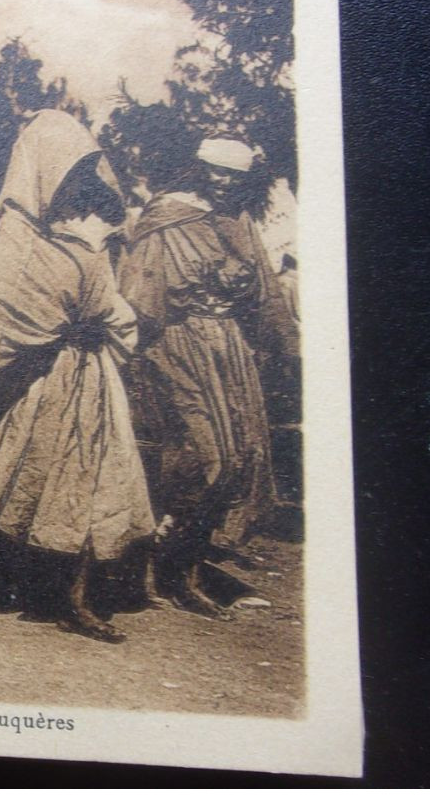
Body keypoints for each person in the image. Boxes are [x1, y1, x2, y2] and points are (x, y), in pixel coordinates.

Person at [0, 110, 154, 644]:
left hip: (90, 373)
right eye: (68, 167)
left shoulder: (94, 220)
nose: (78, 177)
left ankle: (75, 599)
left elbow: (108, 299)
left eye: (86, 166)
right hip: (32, 377)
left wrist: (101, 316)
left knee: (95, 479)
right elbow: (1, 313)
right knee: (13, 478)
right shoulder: (15, 234)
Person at [118, 137, 298, 617]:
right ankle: (157, 569)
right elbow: (140, 295)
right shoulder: (166, 217)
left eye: (236, 178)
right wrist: (140, 357)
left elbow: (265, 292)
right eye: (217, 174)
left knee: (241, 458)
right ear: (197, 170)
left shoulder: (239, 221)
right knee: (202, 457)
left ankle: (187, 571)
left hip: (230, 349)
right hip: (176, 346)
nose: (225, 184)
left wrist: (286, 347)